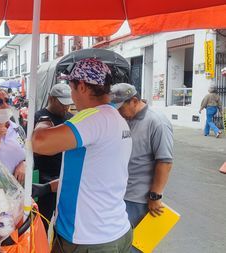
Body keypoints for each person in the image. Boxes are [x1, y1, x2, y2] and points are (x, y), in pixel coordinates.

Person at [32, 58, 132, 253]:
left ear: (83, 87)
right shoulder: (115, 118)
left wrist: (43, 120)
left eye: (72, 88)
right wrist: (54, 186)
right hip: (114, 229)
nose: (72, 96)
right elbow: (95, 173)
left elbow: (39, 142)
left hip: (89, 238)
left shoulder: (93, 117)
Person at [110, 83, 173, 253]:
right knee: (118, 244)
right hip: (120, 193)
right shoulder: (126, 119)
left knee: (134, 247)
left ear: (134, 101)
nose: (118, 113)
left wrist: (155, 195)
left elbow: (165, 162)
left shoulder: (157, 122)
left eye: (120, 108)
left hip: (139, 198)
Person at [33, 83, 73, 232]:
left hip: (64, 176)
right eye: (63, 104)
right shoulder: (38, 117)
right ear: (51, 99)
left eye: (68, 104)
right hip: (44, 178)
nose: (66, 108)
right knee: (43, 220)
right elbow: (33, 149)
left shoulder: (71, 118)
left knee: (63, 220)